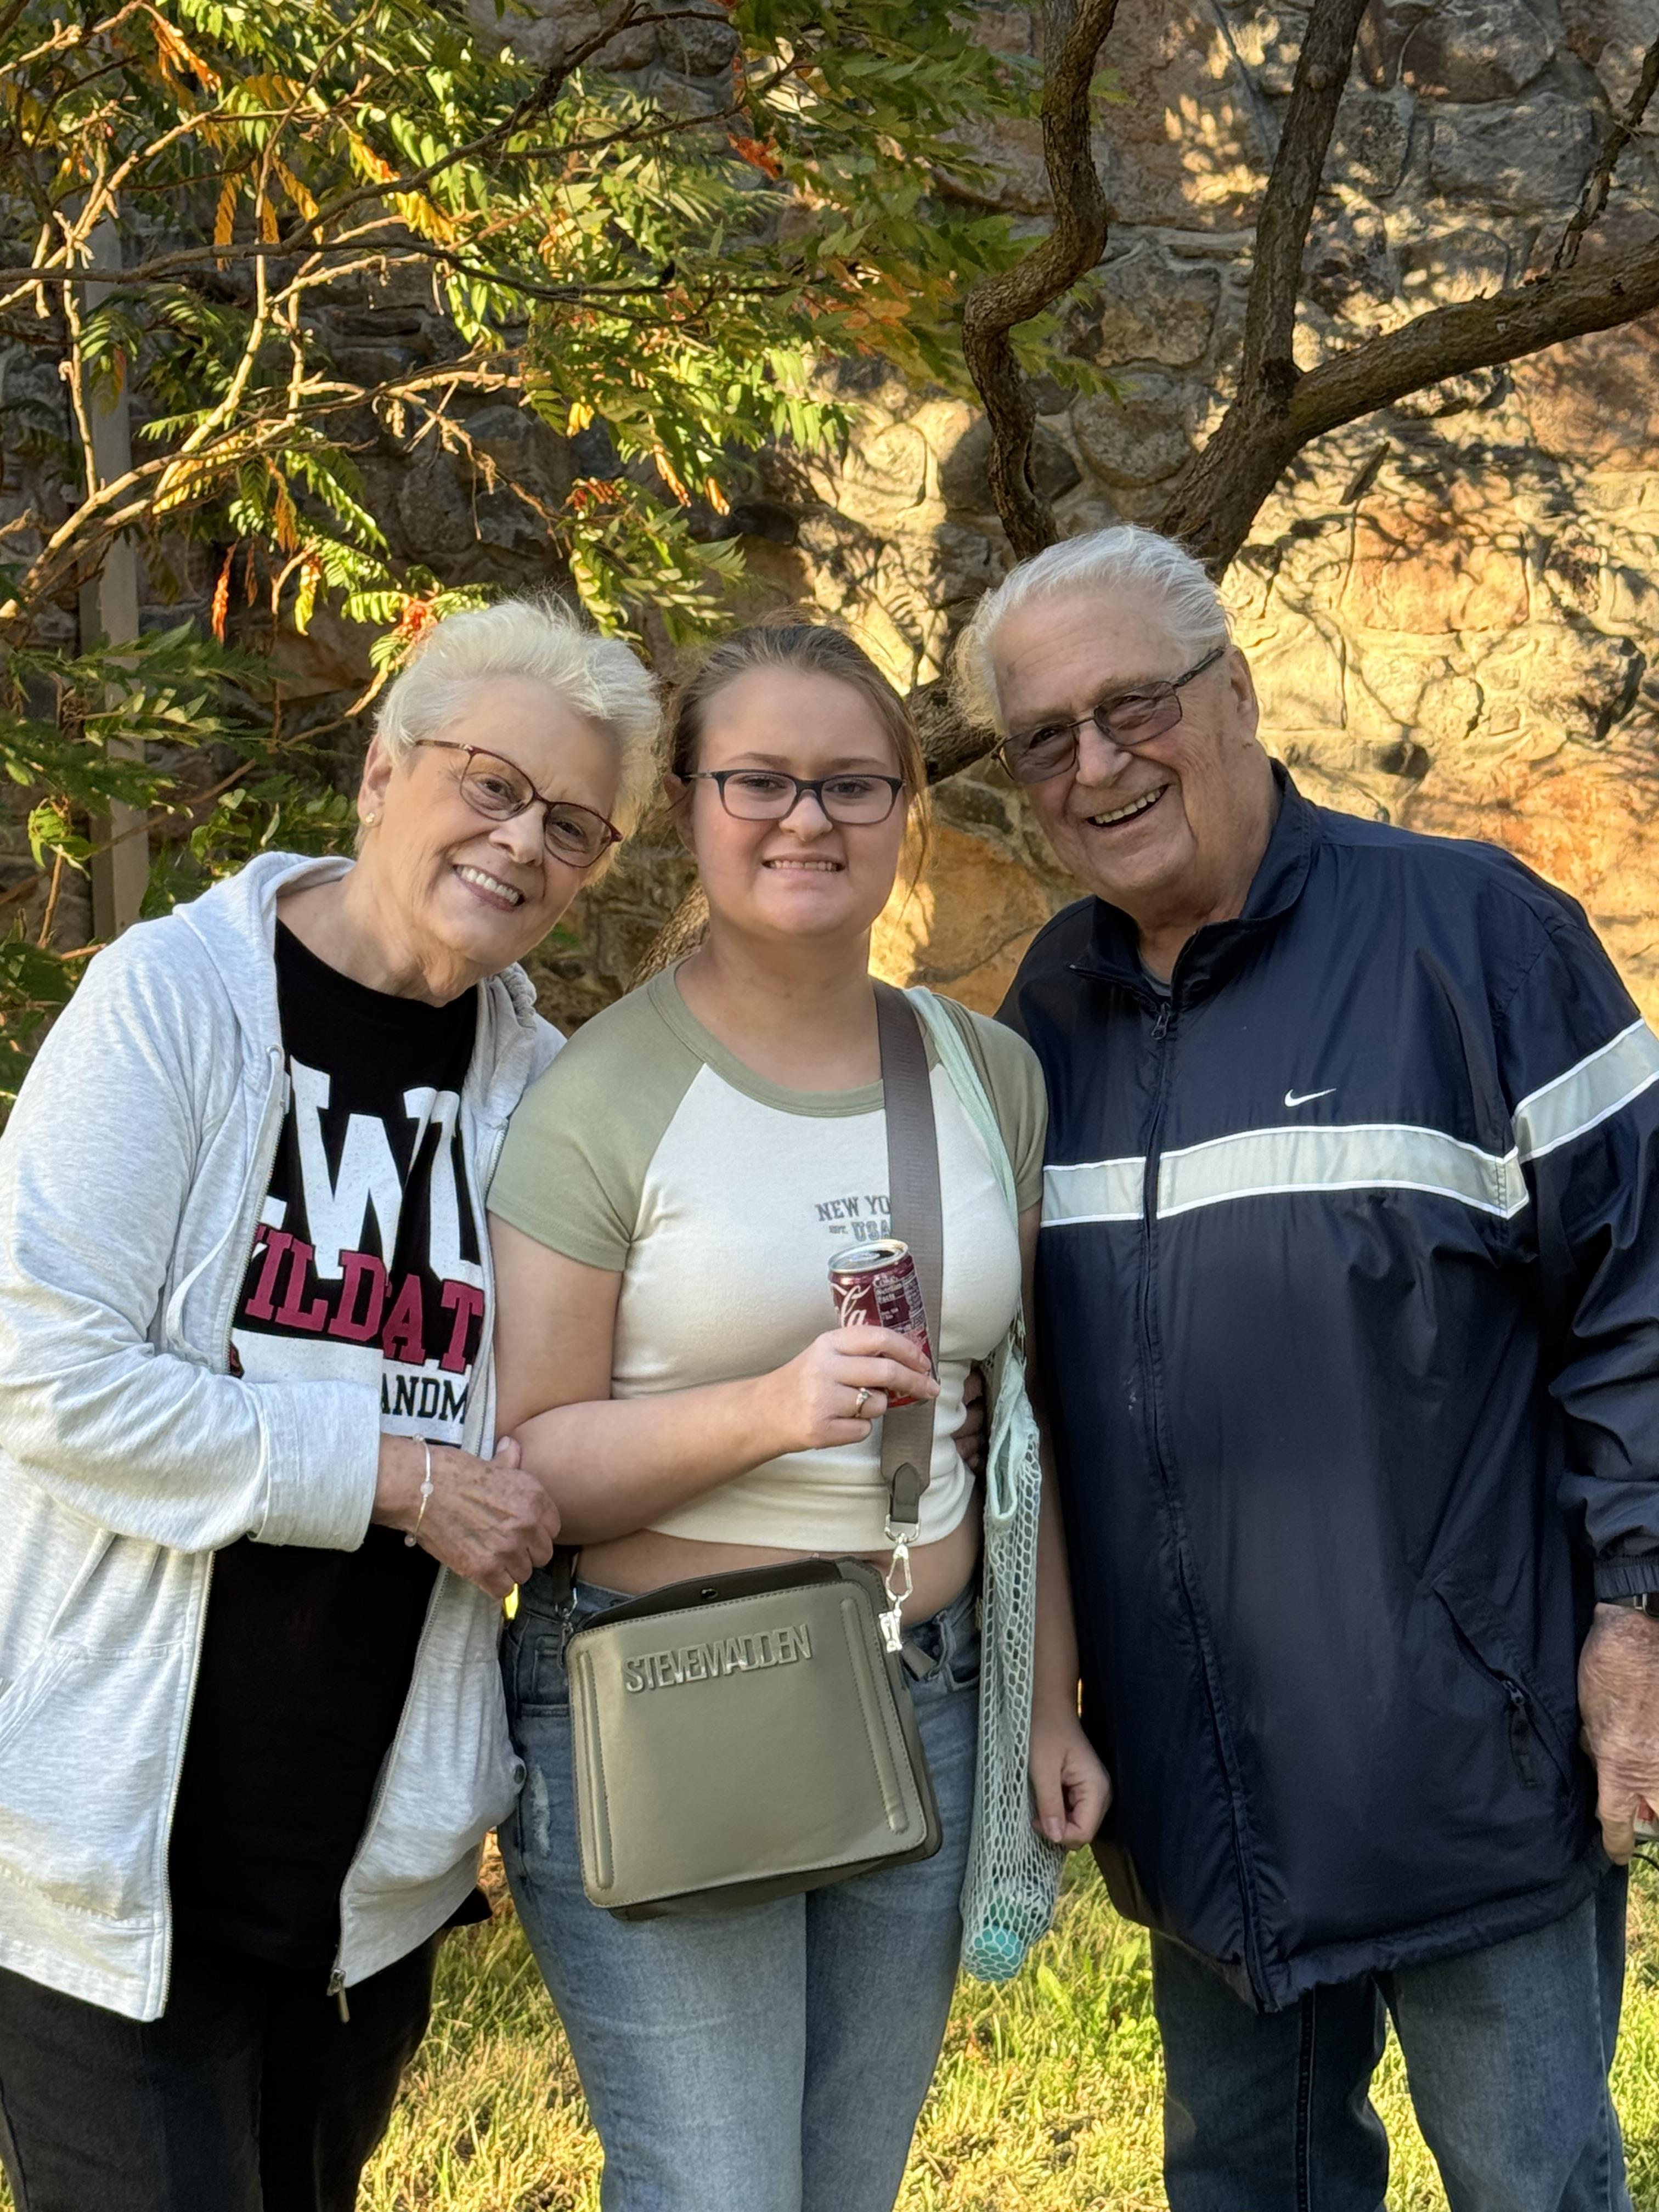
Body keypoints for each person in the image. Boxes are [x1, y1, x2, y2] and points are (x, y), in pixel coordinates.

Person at [962, 522, 1659, 2212]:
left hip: (1469, 1771)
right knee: (1242, 2184)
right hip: (1201, 1796)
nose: (1098, 763)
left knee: (1533, 2182)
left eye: (1134, 705)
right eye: (1044, 737)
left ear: (1240, 690)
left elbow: (1642, 1297)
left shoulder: (1478, 935)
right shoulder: (1050, 1010)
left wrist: (1639, 1616)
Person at [0, 597, 659, 2212]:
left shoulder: (549, 1095)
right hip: (107, 1846)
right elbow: (41, 1363)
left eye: (574, 825)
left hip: (367, 1871)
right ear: (381, 771)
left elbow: (575, 1402)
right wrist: (390, 1477)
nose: (523, 842)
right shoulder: (176, 1004)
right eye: (492, 783)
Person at [487, 621, 1110, 2212]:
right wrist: (774, 1407)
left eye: (851, 783)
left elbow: (1026, 1422)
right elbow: (534, 1466)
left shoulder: (985, 1073)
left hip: (929, 1690)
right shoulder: (601, 1099)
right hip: (670, 1698)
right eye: (756, 780)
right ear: (690, 806)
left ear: (908, 808)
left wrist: (1044, 1705)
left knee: (845, 2190)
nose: (804, 820)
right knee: (717, 2191)